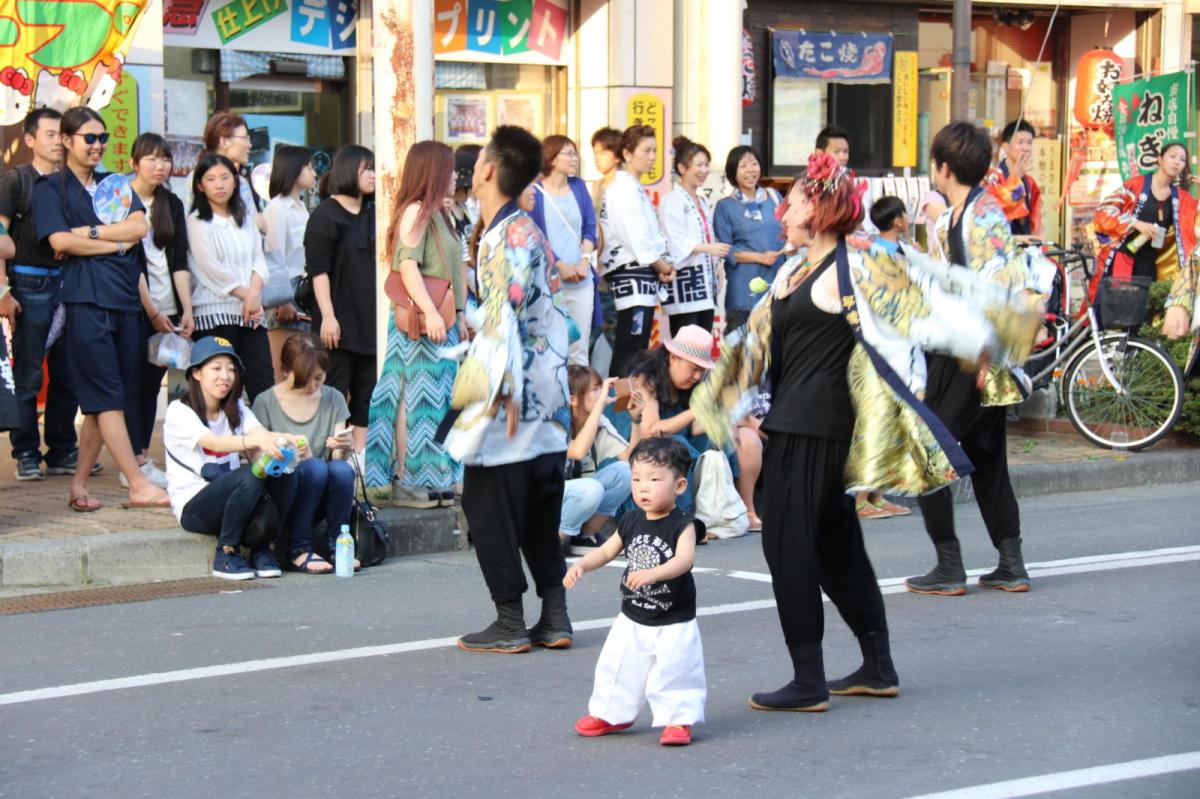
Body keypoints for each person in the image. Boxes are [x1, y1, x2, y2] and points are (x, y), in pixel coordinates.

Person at [691, 150, 1038, 713]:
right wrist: (714, 405)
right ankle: (877, 666)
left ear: (820, 208)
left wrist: (991, 332)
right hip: (794, 424)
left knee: (788, 547)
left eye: (795, 200)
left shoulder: (857, 266)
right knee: (835, 547)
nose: (783, 212)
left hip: (818, 428)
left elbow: (929, 302)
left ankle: (808, 678)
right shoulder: (791, 273)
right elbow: (753, 347)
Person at [443, 125, 571, 654]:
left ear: (490, 169)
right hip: (549, 387)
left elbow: (504, 319)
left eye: (479, 161)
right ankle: (555, 615)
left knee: (489, 502)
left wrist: (495, 396)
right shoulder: (526, 228)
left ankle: (510, 619)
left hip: (512, 391)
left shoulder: (505, 235)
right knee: (540, 508)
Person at [909, 121, 1040, 597]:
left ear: (943, 167)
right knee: (986, 459)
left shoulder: (981, 214)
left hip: (972, 356)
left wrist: (986, 357)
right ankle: (1010, 563)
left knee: (928, 451)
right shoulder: (962, 213)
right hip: (969, 352)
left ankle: (948, 565)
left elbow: (999, 284)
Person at [32, 107, 169, 512]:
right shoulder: (49, 189)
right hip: (83, 301)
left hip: (124, 300)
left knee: (104, 398)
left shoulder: (114, 182)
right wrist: (114, 242)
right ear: (68, 141)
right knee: (107, 396)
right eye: (89, 138)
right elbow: (60, 241)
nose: (97, 145)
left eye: (103, 138)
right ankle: (138, 483)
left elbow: (139, 228)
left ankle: (79, 485)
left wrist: (90, 234)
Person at [565, 437, 705, 747]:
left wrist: (653, 573)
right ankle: (610, 713)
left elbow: (684, 560)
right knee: (616, 663)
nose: (643, 487)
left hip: (674, 617)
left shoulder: (684, 525)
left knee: (676, 669)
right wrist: (582, 566)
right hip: (632, 615)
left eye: (655, 480)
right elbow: (606, 552)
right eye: (637, 479)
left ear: (679, 486)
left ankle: (678, 719)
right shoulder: (630, 519)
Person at [365, 141, 464, 508]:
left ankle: (436, 475)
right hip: (421, 322)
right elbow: (407, 266)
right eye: (450, 169)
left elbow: (454, 270)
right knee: (412, 396)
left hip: (442, 320)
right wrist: (433, 311)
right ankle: (407, 477)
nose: (456, 176)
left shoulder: (439, 214)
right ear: (435, 171)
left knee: (438, 399)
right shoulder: (416, 212)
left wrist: (460, 316)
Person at [164, 336, 302, 580]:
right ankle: (226, 553)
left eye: (231, 369)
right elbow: (213, 442)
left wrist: (283, 441)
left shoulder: (236, 407)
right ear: (196, 373)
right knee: (248, 475)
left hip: (236, 499)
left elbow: (259, 433)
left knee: (287, 474)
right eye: (216, 368)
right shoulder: (179, 411)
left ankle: (262, 550)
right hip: (194, 507)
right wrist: (255, 441)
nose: (225, 376)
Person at [0, 108, 89, 482]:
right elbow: (0, 238)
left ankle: (63, 449)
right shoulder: (16, 180)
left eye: (61, 135)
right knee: (29, 375)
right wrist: (5, 290)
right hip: (28, 284)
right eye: (49, 134)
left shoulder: (73, 183)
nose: (57, 141)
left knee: (69, 374)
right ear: (31, 139)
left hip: (71, 284)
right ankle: (25, 452)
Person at [626, 326, 763, 529]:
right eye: (694, 368)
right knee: (677, 445)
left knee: (739, 436)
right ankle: (681, 520)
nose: (698, 376)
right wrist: (697, 411)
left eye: (702, 370)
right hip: (643, 454)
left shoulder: (694, 384)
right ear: (673, 358)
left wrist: (728, 414)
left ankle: (743, 509)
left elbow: (696, 428)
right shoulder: (646, 379)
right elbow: (651, 432)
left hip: (682, 438)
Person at [251, 334, 356, 574]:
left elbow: (337, 462)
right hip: (285, 497)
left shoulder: (333, 398)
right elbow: (256, 463)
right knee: (315, 468)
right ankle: (299, 548)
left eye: (318, 379)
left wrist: (344, 447)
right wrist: (291, 457)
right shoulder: (265, 402)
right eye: (303, 381)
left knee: (340, 469)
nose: (312, 387)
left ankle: (337, 545)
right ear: (286, 371)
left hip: (321, 497)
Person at [127, 132, 191, 490]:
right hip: (134, 308)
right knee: (132, 384)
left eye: (164, 158)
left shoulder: (171, 203)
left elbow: (178, 259)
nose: (160, 165)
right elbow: (129, 264)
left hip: (166, 308)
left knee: (153, 386)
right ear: (134, 162)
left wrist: (186, 308)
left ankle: (138, 456)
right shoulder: (121, 199)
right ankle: (133, 461)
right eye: (150, 158)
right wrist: (150, 309)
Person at [304, 145, 377, 455]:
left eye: (375, 168)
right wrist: (328, 316)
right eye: (367, 169)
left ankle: (358, 460)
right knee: (333, 391)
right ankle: (330, 457)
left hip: (370, 321)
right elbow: (318, 271)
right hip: (337, 322)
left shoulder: (376, 212)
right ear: (348, 172)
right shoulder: (325, 215)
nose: (374, 175)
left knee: (366, 395)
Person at [186, 153, 274, 403]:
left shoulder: (245, 219)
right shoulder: (196, 222)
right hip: (215, 315)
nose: (219, 184)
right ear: (200, 185)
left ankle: (264, 441)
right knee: (220, 389)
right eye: (211, 179)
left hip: (251, 316)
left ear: (235, 182)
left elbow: (259, 259)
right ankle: (221, 441)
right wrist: (248, 296)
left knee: (262, 382)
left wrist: (254, 295)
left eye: (225, 177)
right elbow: (209, 268)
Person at [1093, 143, 1197, 341]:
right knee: (1119, 316)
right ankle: (1109, 359)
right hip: (1125, 260)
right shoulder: (1137, 185)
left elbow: (1196, 224)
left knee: (1144, 319)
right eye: (1173, 156)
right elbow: (1104, 211)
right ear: (1159, 158)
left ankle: (1137, 362)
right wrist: (1135, 223)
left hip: (1150, 264)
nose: (1177, 162)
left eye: (1182, 159)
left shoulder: (1180, 198)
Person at [853, 196, 916, 521]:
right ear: (897, 220)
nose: (908, 217)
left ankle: (877, 494)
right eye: (905, 212)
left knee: (892, 417)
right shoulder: (880, 254)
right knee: (878, 417)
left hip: (900, 344)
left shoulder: (898, 250)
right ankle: (863, 496)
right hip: (885, 345)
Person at [599, 125, 674, 378]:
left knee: (636, 347)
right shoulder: (622, 186)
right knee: (629, 348)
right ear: (628, 153)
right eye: (646, 150)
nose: (652, 156)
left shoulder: (631, 185)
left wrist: (660, 263)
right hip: (630, 274)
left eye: (655, 150)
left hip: (641, 274)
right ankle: (619, 412)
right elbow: (636, 235)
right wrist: (660, 264)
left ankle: (628, 408)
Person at [531, 135, 598, 365]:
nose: (574, 158)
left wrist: (584, 262)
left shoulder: (578, 187)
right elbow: (535, 235)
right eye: (568, 153)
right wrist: (559, 264)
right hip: (551, 282)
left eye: (575, 153)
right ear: (550, 157)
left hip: (581, 279)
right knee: (551, 349)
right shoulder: (535, 191)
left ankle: (578, 400)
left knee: (579, 350)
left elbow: (590, 227)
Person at [561, 365, 638, 555]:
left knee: (625, 473)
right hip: (539, 499)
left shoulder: (599, 422)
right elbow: (577, 451)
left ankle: (585, 537)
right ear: (573, 399)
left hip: (570, 495)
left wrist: (636, 420)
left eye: (600, 387)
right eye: (595, 389)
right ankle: (550, 544)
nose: (603, 392)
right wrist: (599, 407)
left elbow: (634, 462)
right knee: (590, 489)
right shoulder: (557, 421)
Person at [658, 136, 730, 335]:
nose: (704, 170)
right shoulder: (672, 200)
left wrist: (717, 264)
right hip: (686, 283)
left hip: (704, 284)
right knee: (686, 346)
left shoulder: (702, 201)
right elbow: (674, 241)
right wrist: (709, 248)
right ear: (682, 168)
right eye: (698, 164)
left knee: (702, 346)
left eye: (707, 164)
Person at [713, 145, 785, 332]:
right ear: (732, 172)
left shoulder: (774, 197)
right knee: (741, 341)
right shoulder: (725, 206)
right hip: (744, 287)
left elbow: (789, 230)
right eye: (743, 166)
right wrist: (760, 257)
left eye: (754, 164)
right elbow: (725, 249)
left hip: (777, 282)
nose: (751, 170)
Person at [263, 145, 316, 380]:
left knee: (302, 368)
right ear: (293, 169)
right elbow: (274, 257)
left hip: (302, 291)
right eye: (309, 167)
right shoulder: (276, 208)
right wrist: (283, 301)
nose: (314, 173)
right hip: (284, 292)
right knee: (283, 371)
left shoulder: (301, 207)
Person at [186, 112, 263, 230]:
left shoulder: (242, 182)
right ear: (224, 141)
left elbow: (256, 226)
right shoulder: (197, 178)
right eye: (244, 138)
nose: (249, 145)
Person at [985, 119, 1043, 240]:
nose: (1026, 148)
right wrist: (1015, 178)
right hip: (1000, 246)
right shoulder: (992, 177)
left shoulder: (1030, 182)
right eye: (1020, 142)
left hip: (1025, 245)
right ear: (1006, 148)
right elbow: (993, 213)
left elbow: (1035, 222)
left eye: (1029, 143)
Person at [816, 124, 876, 237]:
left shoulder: (851, 181)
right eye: (836, 152)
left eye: (845, 152)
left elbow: (864, 223)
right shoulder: (812, 181)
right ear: (820, 153)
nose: (843, 157)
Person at [590, 127, 623, 212]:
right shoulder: (596, 185)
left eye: (602, 154)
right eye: (595, 153)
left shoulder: (624, 185)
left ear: (617, 157)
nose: (597, 159)